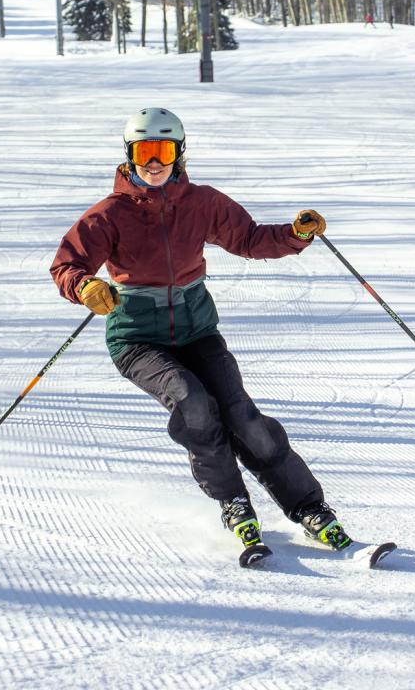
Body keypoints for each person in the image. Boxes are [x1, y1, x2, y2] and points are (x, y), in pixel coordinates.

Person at [50, 108, 352, 553]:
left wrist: (294, 234)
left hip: (198, 331)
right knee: (194, 403)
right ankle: (233, 501)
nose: (155, 163)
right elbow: (65, 265)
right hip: (137, 339)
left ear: (180, 153)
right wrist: (86, 286)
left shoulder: (202, 202)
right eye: (145, 151)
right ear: (130, 155)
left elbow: (248, 239)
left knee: (242, 416)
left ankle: (308, 506)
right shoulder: (110, 214)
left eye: (164, 151)